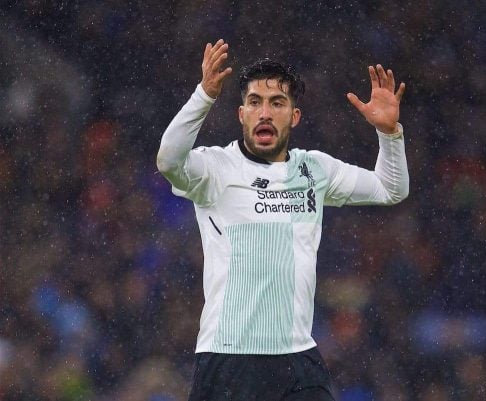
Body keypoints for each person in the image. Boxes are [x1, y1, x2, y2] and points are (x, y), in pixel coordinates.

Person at [156, 39, 409, 401]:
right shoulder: (215, 169)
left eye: (277, 103)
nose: (264, 112)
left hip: (297, 359)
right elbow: (167, 161)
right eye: (254, 102)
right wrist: (204, 95)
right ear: (241, 114)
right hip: (230, 359)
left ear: (294, 116)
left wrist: (389, 134)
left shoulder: (314, 169)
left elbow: (391, 189)